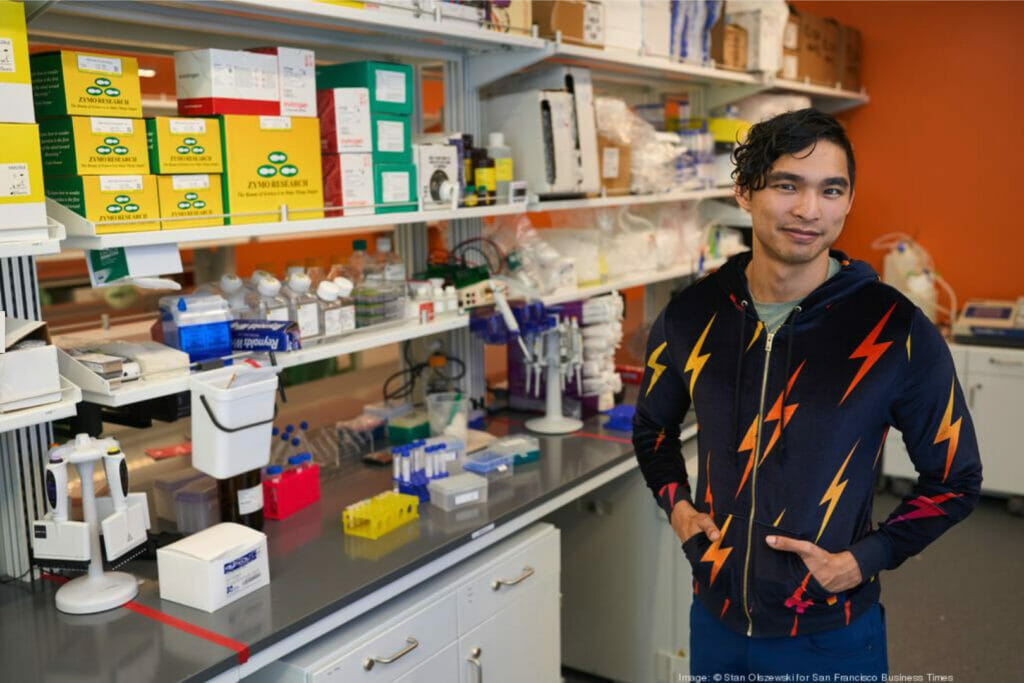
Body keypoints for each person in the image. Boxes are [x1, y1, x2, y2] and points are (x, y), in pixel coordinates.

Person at [632, 108, 982, 678]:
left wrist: (863, 560)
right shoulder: (691, 315)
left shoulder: (893, 330)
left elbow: (956, 478)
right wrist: (678, 508)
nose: (808, 210)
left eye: (830, 189)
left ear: (848, 201)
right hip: (715, 623)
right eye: (787, 185)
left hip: (829, 632)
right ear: (745, 192)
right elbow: (652, 428)